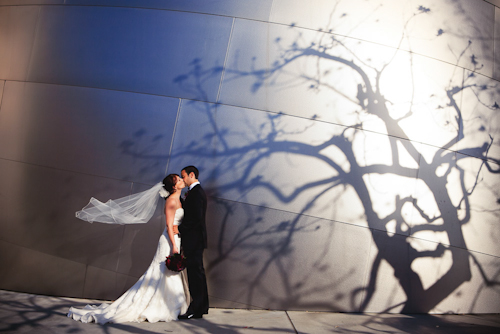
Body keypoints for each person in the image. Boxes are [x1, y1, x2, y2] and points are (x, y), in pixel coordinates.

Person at [67, 174, 188, 324]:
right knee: (161, 271)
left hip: (175, 238)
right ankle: (161, 305)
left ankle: (172, 303)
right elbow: (169, 225)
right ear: (174, 186)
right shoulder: (171, 201)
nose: (183, 180)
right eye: (179, 179)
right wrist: (174, 246)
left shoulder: (180, 200)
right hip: (169, 241)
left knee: (167, 272)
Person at [176, 165, 209, 319]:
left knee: (195, 274)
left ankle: (196, 308)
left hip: (194, 241)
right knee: (198, 273)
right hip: (196, 240)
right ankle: (201, 307)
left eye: (184, 176)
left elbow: (195, 218)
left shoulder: (196, 193)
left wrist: (180, 228)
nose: (183, 179)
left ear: (191, 175)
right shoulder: (194, 193)